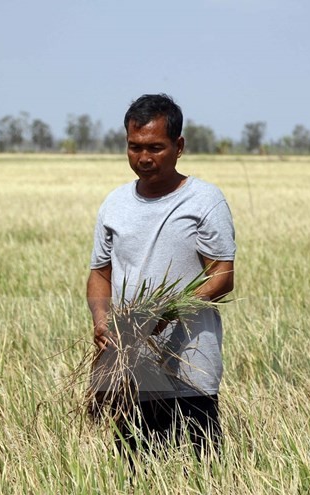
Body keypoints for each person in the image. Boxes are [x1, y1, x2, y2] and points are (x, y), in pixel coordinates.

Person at [86, 94, 236, 460]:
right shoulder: (115, 204)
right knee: (136, 470)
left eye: (156, 147)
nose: (144, 157)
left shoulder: (204, 201)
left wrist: (167, 311)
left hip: (191, 370)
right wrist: (103, 323)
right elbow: (98, 274)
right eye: (134, 147)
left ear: (179, 146)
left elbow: (223, 276)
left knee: (201, 473)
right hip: (133, 369)